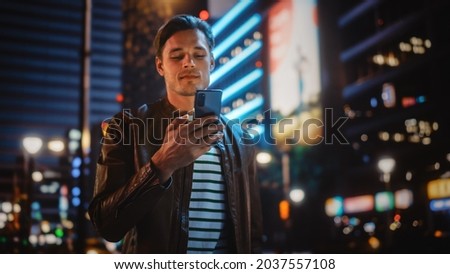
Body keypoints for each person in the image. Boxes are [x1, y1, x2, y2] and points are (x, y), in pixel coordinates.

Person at [88, 14, 263, 254]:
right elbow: (105, 224)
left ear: (211, 62)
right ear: (160, 65)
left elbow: (251, 232)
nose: (189, 63)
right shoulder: (127, 126)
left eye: (199, 55)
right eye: (177, 55)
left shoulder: (240, 139)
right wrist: (162, 164)